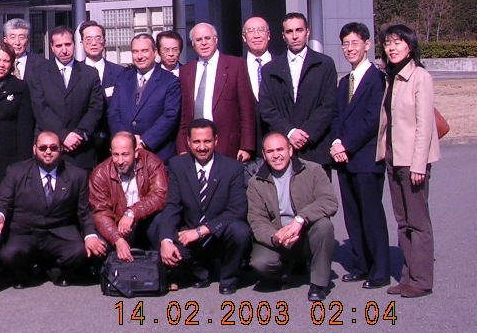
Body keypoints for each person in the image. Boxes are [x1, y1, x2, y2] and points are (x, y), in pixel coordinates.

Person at [0, 131, 106, 287]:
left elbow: (84, 211)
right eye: (43, 148)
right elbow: (4, 201)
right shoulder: (16, 171)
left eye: (53, 148)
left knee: (80, 252)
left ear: (61, 149)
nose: (48, 152)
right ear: (35, 149)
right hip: (25, 230)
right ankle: (26, 273)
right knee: (10, 254)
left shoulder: (77, 175)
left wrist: (90, 235)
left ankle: (53, 271)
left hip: (60, 231)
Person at [377, 24, 440, 298]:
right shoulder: (392, 77)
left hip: (412, 161)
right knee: (403, 222)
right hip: (394, 158)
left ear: (410, 46)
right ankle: (408, 276)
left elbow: (424, 125)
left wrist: (418, 165)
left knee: (418, 222)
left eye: (398, 43)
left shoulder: (419, 77)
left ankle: (422, 279)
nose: (392, 47)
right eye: (388, 43)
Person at [155, 119, 251, 295]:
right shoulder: (177, 165)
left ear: (216, 140)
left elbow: (237, 210)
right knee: (161, 227)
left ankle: (228, 278)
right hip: (190, 234)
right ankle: (199, 273)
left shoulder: (233, 168)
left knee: (240, 231)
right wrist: (165, 241)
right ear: (188, 143)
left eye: (207, 141)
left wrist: (203, 230)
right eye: (197, 142)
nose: (202, 147)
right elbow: (172, 205)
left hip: (219, 233)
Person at [330, 22, 390, 289]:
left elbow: (371, 120)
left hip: (366, 158)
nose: (349, 48)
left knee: (371, 214)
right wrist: (335, 143)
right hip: (344, 159)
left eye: (354, 43)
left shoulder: (377, 79)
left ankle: (380, 269)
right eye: (345, 44)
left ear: (367, 44)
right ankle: (360, 264)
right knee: (352, 214)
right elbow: (336, 117)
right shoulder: (344, 83)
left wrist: (346, 145)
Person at [247, 133, 338, 301]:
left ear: (290, 150)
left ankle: (318, 283)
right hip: (279, 235)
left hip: (305, 231)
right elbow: (257, 220)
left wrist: (300, 219)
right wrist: (275, 237)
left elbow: (329, 201)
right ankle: (286, 271)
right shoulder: (256, 182)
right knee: (260, 263)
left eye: (280, 149)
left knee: (324, 226)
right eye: (270, 151)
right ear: (264, 154)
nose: (276, 155)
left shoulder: (313, 170)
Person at [258, 13, 338, 168]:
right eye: (289, 32)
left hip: (316, 148)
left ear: (307, 32)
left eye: (299, 30)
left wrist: (306, 133)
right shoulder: (270, 69)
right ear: (283, 36)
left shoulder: (324, 64)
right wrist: (290, 132)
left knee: (317, 192)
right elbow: (267, 108)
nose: (295, 36)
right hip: (283, 150)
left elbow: (329, 105)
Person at [28, 26, 105, 171]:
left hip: (81, 149)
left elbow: (95, 108)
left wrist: (79, 133)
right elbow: (40, 108)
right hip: (49, 149)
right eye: (59, 45)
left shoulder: (90, 74)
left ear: (74, 45)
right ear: (52, 47)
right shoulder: (39, 74)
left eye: (68, 44)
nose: (64, 50)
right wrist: (63, 136)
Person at [178, 23, 255, 161]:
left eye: (207, 38)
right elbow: (183, 114)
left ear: (216, 40)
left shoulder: (236, 65)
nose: (204, 43)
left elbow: (246, 108)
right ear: (193, 44)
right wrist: (183, 147)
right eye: (199, 40)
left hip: (228, 146)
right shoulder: (185, 71)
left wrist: (246, 146)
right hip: (195, 147)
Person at [88, 132, 169, 262]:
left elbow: (160, 195)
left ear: (136, 152)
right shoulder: (100, 174)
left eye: (125, 154)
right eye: (116, 155)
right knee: (100, 245)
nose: (120, 161)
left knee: (161, 222)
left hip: (146, 221)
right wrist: (117, 239)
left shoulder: (152, 163)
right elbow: (101, 213)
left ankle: (162, 269)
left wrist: (132, 212)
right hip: (118, 225)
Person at [107, 33, 182, 160]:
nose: (140, 56)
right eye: (135, 52)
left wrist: (144, 141)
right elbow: (113, 113)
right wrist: (125, 141)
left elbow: (170, 116)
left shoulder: (170, 81)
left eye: (144, 51)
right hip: (125, 156)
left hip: (158, 154)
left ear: (155, 52)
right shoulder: (122, 79)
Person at [0, 41, 35, 192]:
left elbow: (26, 126)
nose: (1, 64)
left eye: (6, 61)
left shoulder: (20, 87)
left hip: (9, 152)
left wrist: (24, 160)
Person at [79, 20, 125, 157]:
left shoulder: (120, 73)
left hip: (112, 140)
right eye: (88, 39)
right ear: (81, 43)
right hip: (83, 142)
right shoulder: (75, 72)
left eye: (98, 38)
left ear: (104, 41)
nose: (93, 43)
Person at [242, 17, 272, 103]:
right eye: (251, 31)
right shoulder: (237, 66)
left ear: (268, 35)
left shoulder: (281, 63)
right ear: (244, 37)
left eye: (261, 30)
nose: (256, 35)